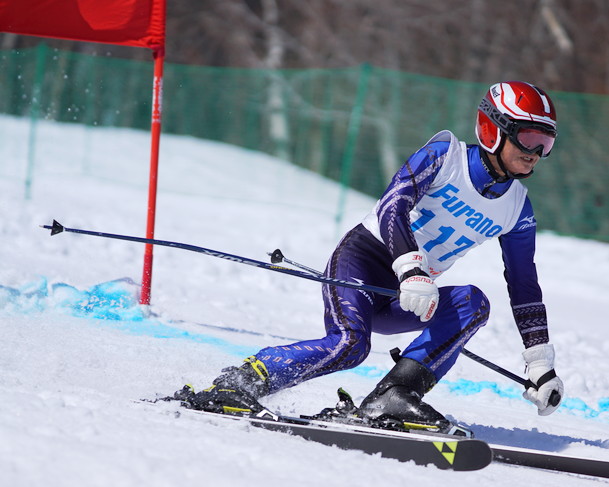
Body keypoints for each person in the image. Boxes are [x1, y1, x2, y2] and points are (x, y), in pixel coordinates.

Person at [175, 80, 565, 425]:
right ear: (492, 129)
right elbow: (392, 205)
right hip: (363, 262)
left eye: (545, 144)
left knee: (473, 304)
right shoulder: (445, 156)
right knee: (350, 344)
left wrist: (539, 361)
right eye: (529, 139)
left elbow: (524, 285)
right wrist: (412, 269)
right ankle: (240, 381)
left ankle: (394, 396)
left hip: (408, 295)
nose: (536, 153)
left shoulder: (518, 208)